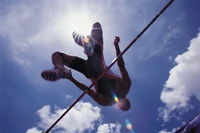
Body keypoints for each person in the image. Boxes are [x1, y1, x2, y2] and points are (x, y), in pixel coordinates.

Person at [41, 22, 131, 111]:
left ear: (127, 99)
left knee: (97, 27)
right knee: (57, 55)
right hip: (88, 71)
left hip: (97, 66)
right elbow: (86, 89)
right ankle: (61, 68)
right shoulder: (106, 102)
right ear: (119, 106)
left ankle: (88, 46)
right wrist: (71, 79)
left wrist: (116, 46)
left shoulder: (124, 88)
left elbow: (121, 65)